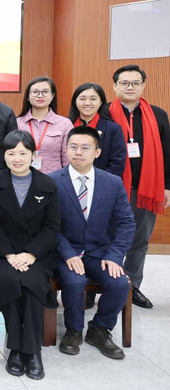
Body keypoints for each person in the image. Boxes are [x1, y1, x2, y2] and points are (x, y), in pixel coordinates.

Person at [51, 126, 135, 360]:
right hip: (65, 252)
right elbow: (48, 226)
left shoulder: (112, 182)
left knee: (119, 284)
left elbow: (127, 223)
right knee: (74, 282)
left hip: (101, 252)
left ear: (97, 152)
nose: (78, 152)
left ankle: (99, 329)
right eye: (73, 147)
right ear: (66, 149)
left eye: (85, 147)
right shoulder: (51, 181)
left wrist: (115, 255)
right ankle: (73, 330)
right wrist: (67, 253)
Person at [0, 131, 60, 380]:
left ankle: (32, 351)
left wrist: (31, 254)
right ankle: (16, 349)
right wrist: (9, 254)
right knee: (9, 280)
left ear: (34, 155)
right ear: (3, 156)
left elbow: (52, 227)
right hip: (1, 253)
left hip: (37, 254)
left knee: (31, 283)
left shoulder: (47, 185)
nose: (17, 158)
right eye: (11, 153)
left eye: (23, 153)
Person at [109, 65, 170, 309]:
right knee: (103, 237)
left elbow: (167, 153)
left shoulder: (158, 115)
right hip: (111, 189)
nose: (130, 87)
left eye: (135, 82)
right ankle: (96, 286)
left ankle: (132, 286)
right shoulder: (105, 113)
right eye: (124, 83)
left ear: (144, 85)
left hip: (146, 190)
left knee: (140, 239)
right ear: (114, 86)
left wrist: (166, 186)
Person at [68, 83, 126, 177]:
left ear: (101, 102)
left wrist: (100, 181)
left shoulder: (112, 129)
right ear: (75, 101)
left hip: (102, 182)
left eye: (93, 99)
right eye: (82, 98)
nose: (87, 103)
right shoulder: (66, 126)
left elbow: (117, 163)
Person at [16, 76, 73, 174]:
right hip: (23, 177)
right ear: (28, 97)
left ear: (52, 95)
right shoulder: (17, 123)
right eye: (35, 92)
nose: (40, 95)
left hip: (54, 179)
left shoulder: (64, 124)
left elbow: (67, 157)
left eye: (45, 92)